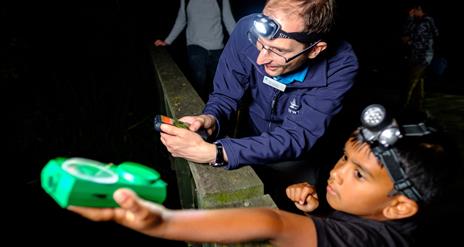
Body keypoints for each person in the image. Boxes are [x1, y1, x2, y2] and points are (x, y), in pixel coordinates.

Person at [69, 104, 456, 247]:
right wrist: (318, 213)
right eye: (342, 159)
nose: (336, 173)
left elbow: (271, 222)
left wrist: (162, 221)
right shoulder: (380, 222)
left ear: (400, 206)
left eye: (357, 174)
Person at [159, 0, 359, 209]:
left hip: (298, 162)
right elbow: (225, 94)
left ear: (315, 49)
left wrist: (217, 153)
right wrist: (210, 118)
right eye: (260, 42)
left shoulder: (341, 65)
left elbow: (297, 135)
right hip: (247, 139)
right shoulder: (246, 29)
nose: (261, 58)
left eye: (278, 51)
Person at [154, 0, 236, 102]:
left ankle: (212, 112)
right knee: (198, 77)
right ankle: (196, 109)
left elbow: (229, 21)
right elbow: (181, 21)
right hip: (195, 46)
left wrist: (243, 44)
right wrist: (167, 41)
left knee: (216, 85)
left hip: (217, 48)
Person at [401, 1, 439, 111]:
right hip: (425, 56)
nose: (412, 11)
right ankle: (417, 107)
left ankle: (403, 107)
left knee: (409, 82)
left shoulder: (423, 24)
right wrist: (410, 18)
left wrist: (408, 42)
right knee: (418, 83)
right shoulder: (428, 21)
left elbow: (419, 41)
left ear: (419, 9)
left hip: (420, 57)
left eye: (414, 10)